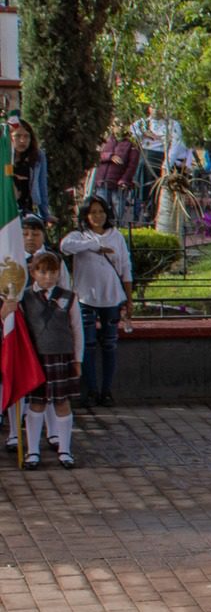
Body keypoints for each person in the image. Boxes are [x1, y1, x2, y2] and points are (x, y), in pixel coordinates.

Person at [5, 252, 83, 467]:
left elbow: (77, 329)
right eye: (43, 271)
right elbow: (14, 324)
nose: (48, 276)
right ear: (33, 273)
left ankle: (65, 450)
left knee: (62, 403)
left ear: (59, 273)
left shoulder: (69, 296)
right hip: (36, 359)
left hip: (62, 357)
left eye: (53, 272)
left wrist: (78, 359)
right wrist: (6, 310)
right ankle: (32, 451)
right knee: (36, 404)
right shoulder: (26, 297)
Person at [58, 195, 132, 408]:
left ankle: (106, 390)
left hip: (111, 298)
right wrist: (93, 246)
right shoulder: (79, 236)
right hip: (86, 298)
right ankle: (90, 389)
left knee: (109, 345)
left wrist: (129, 298)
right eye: (93, 213)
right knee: (87, 345)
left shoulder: (116, 236)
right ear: (86, 216)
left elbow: (126, 267)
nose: (98, 216)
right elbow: (65, 246)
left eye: (101, 212)